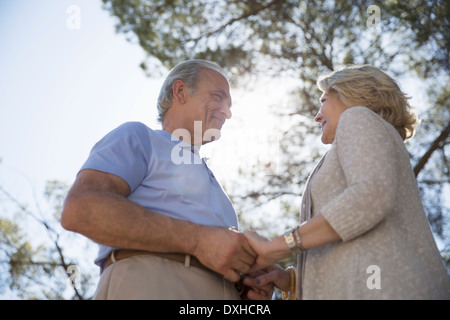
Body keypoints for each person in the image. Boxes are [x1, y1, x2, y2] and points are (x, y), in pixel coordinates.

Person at [61, 59, 271, 299]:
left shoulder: (214, 185)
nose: (227, 112)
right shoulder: (140, 137)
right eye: (217, 96)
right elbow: (81, 209)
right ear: (180, 91)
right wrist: (197, 241)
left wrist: (245, 282)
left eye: (229, 104)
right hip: (150, 284)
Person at [244, 64, 450, 299]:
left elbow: (369, 198)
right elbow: (350, 251)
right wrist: (291, 281)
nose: (317, 115)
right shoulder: (362, 140)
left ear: (352, 93)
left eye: (323, 100)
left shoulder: (358, 115)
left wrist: (277, 247)